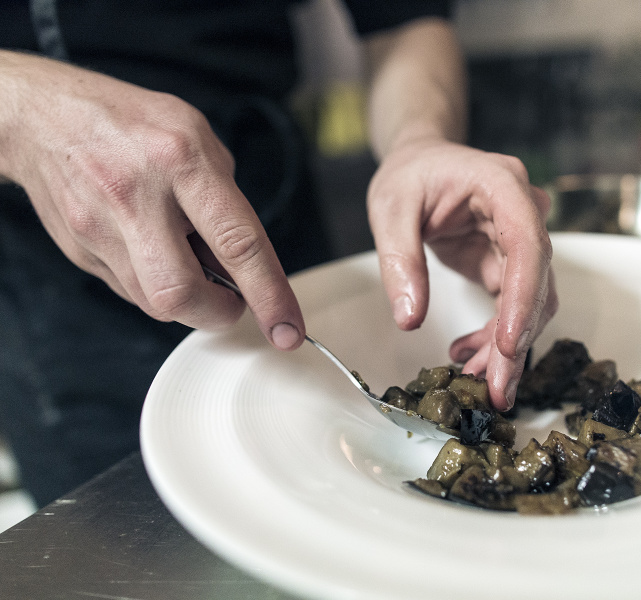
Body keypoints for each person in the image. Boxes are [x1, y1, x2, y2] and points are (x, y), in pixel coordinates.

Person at [0, 0, 557, 507]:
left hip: (274, 208)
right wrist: (23, 111)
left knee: (319, 502)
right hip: (50, 291)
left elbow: (401, 20)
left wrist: (420, 140)